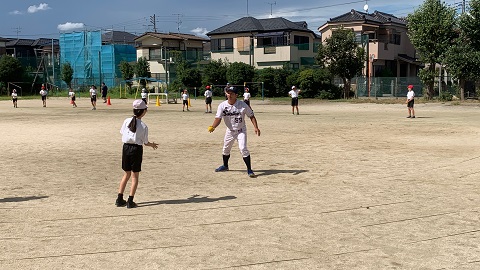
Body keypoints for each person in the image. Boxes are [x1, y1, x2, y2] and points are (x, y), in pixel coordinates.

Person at [208, 86, 261, 178]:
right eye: (228, 93)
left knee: (243, 148)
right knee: (226, 148)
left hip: (241, 130)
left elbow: (251, 116)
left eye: (232, 93)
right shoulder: (222, 105)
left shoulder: (243, 105)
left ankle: (249, 169)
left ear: (236, 95)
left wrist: (256, 127)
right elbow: (218, 118)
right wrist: (213, 126)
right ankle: (225, 165)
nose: (230, 95)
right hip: (230, 131)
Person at [116, 100, 158, 208]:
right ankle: (130, 201)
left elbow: (122, 132)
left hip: (125, 148)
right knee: (135, 176)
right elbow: (145, 142)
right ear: (143, 111)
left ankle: (119, 198)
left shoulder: (126, 121)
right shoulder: (144, 126)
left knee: (126, 174)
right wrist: (152, 145)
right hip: (136, 150)